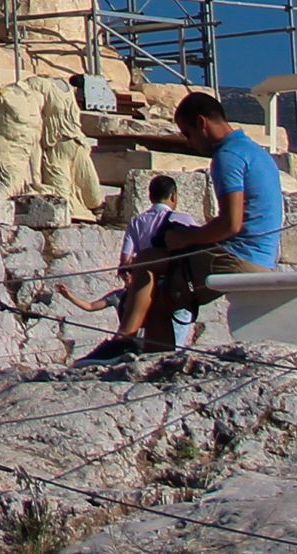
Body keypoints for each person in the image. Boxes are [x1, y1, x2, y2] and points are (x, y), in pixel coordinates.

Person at [112, 91, 282, 355]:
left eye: (188, 133)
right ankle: (152, 355)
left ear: (201, 123)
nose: (190, 143)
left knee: (145, 260)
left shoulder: (227, 156)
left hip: (239, 257)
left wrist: (187, 238)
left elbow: (231, 224)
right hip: (264, 257)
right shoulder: (256, 153)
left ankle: (123, 340)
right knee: (161, 290)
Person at [73, 172, 187, 360]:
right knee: (174, 345)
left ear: (150, 197)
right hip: (174, 288)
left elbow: (125, 259)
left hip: (143, 288)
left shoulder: (137, 222)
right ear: (174, 196)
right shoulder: (183, 220)